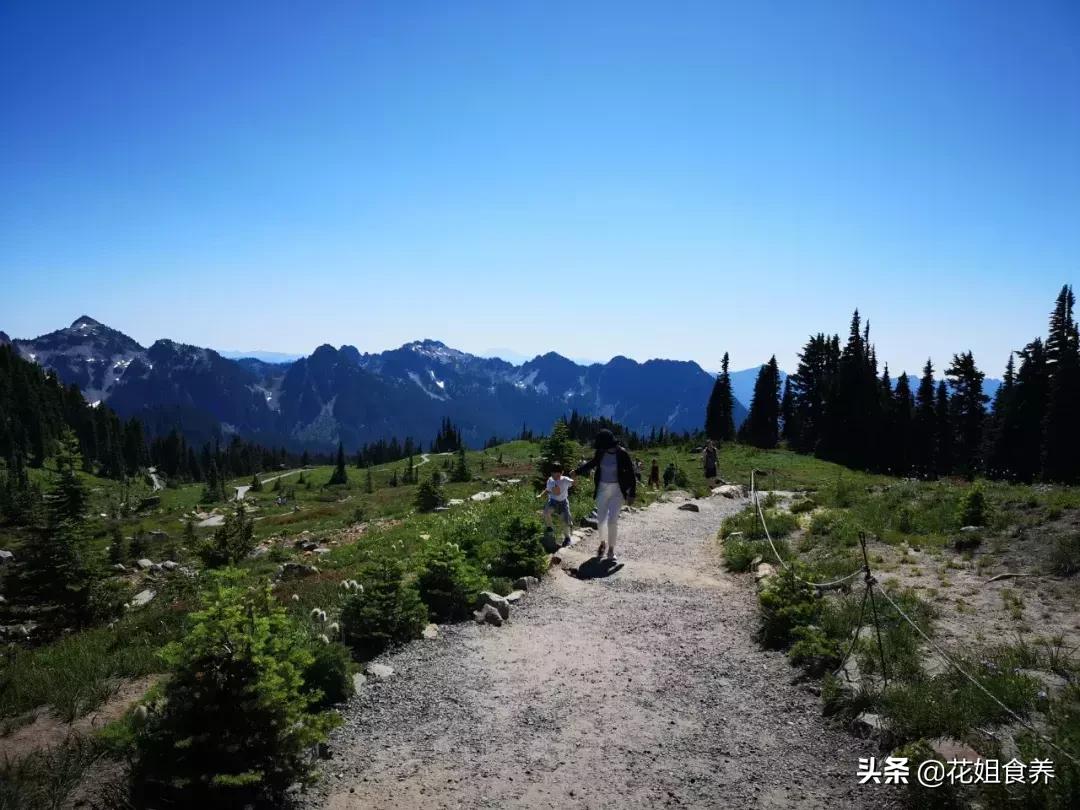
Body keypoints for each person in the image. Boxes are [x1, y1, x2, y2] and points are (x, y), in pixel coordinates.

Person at [574, 429, 636, 562]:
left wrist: (632, 493)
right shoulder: (601, 452)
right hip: (602, 488)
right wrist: (577, 472)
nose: (600, 447)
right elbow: (592, 464)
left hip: (617, 490)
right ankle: (602, 543)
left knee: (612, 520)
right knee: (601, 519)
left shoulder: (622, 454)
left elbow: (631, 473)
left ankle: (611, 549)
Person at [539, 463, 574, 547]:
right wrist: (541, 494)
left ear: (561, 473)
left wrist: (574, 476)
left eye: (558, 474)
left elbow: (573, 483)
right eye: (554, 474)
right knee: (546, 512)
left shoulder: (565, 480)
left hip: (563, 503)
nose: (556, 476)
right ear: (551, 473)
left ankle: (567, 538)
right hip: (553, 501)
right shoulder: (550, 480)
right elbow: (547, 490)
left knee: (564, 521)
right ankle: (550, 528)